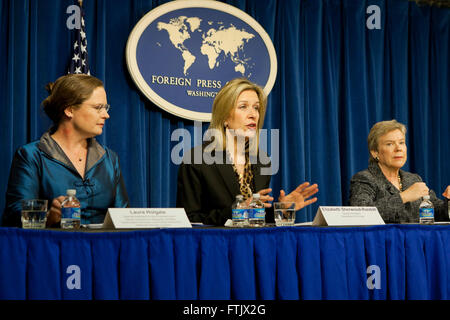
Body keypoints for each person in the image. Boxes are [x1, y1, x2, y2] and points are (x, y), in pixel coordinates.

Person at [176, 78, 319, 226]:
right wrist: (239, 210)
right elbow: (189, 220)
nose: (253, 114)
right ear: (225, 117)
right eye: (243, 107)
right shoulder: (196, 160)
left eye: (256, 108)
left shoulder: (261, 161)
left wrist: (281, 209)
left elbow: (257, 218)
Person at [3, 74, 129, 227]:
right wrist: (50, 216)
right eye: (98, 108)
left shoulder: (110, 159)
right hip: (53, 248)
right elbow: (14, 217)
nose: (106, 115)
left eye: (106, 108)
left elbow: (124, 217)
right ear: (69, 110)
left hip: (102, 248)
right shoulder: (31, 155)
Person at [349, 119, 450, 223]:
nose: (398, 148)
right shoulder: (365, 179)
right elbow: (361, 214)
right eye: (390, 144)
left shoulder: (413, 179)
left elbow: (438, 212)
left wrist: (449, 202)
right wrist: (403, 197)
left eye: (401, 142)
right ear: (375, 152)